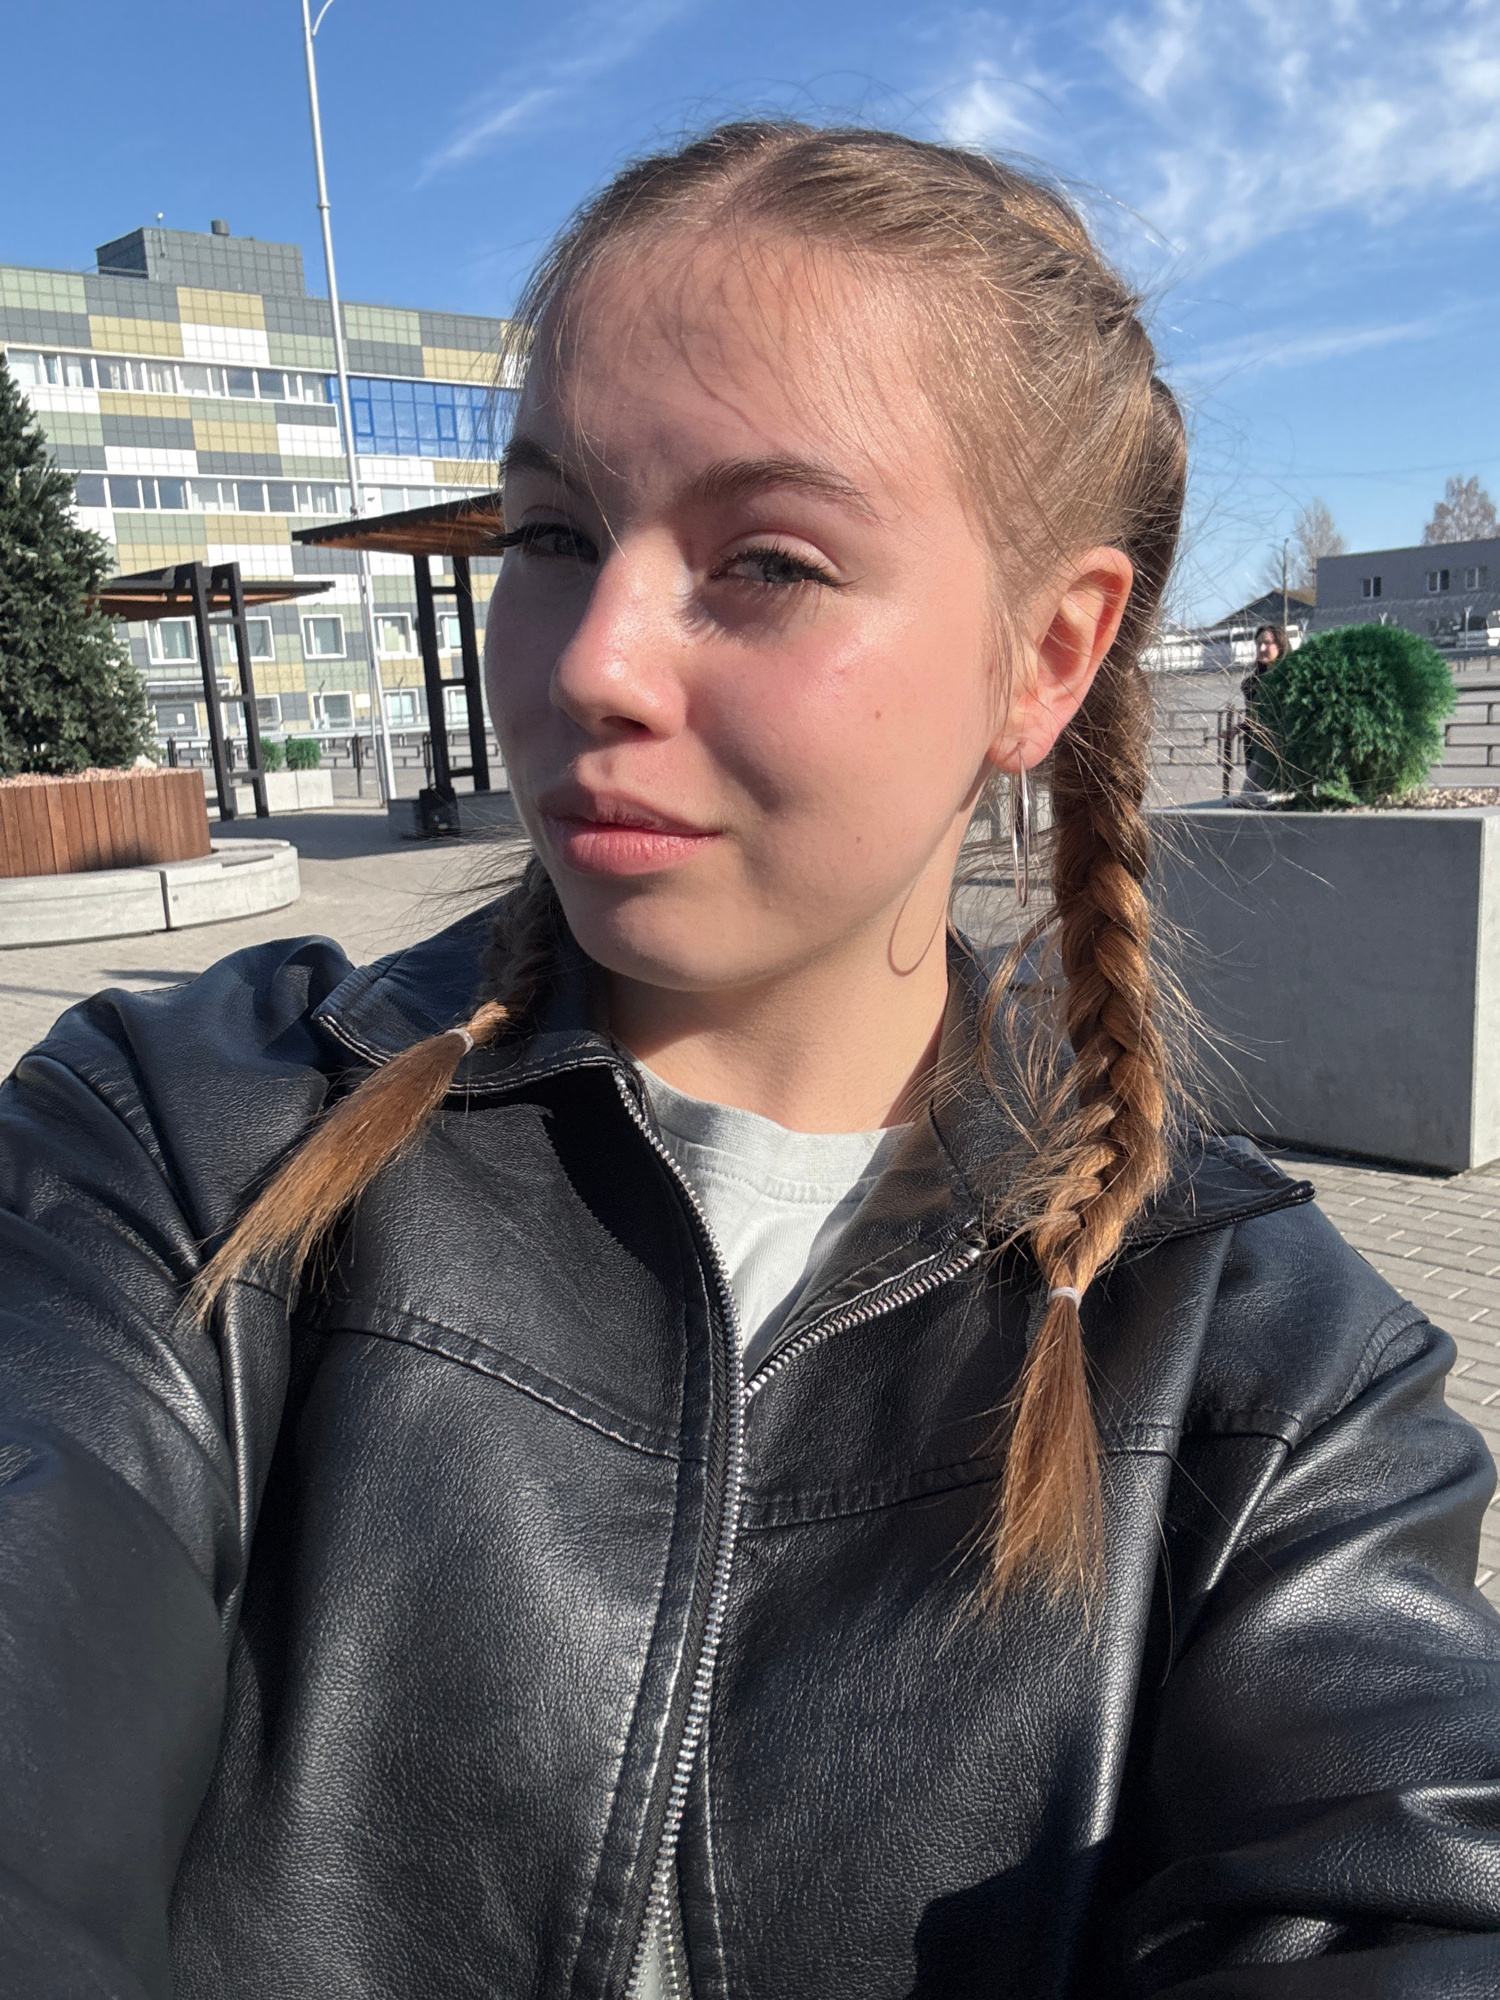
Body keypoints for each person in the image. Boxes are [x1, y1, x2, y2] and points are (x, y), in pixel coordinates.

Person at [1, 123, 1498, 2000]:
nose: (591, 662)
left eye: (770, 560)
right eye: (553, 536)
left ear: (1047, 657)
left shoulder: (1272, 1370)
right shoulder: (178, 1142)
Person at [1241, 621, 1289, 790]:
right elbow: (1254, 716)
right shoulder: (1252, 683)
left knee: (1252, 794)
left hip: (1280, 749)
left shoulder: (1288, 679)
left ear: (1280, 646)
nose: (1261, 648)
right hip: (1255, 747)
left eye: (1267, 643)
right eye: (1259, 643)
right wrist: (1240, 727)